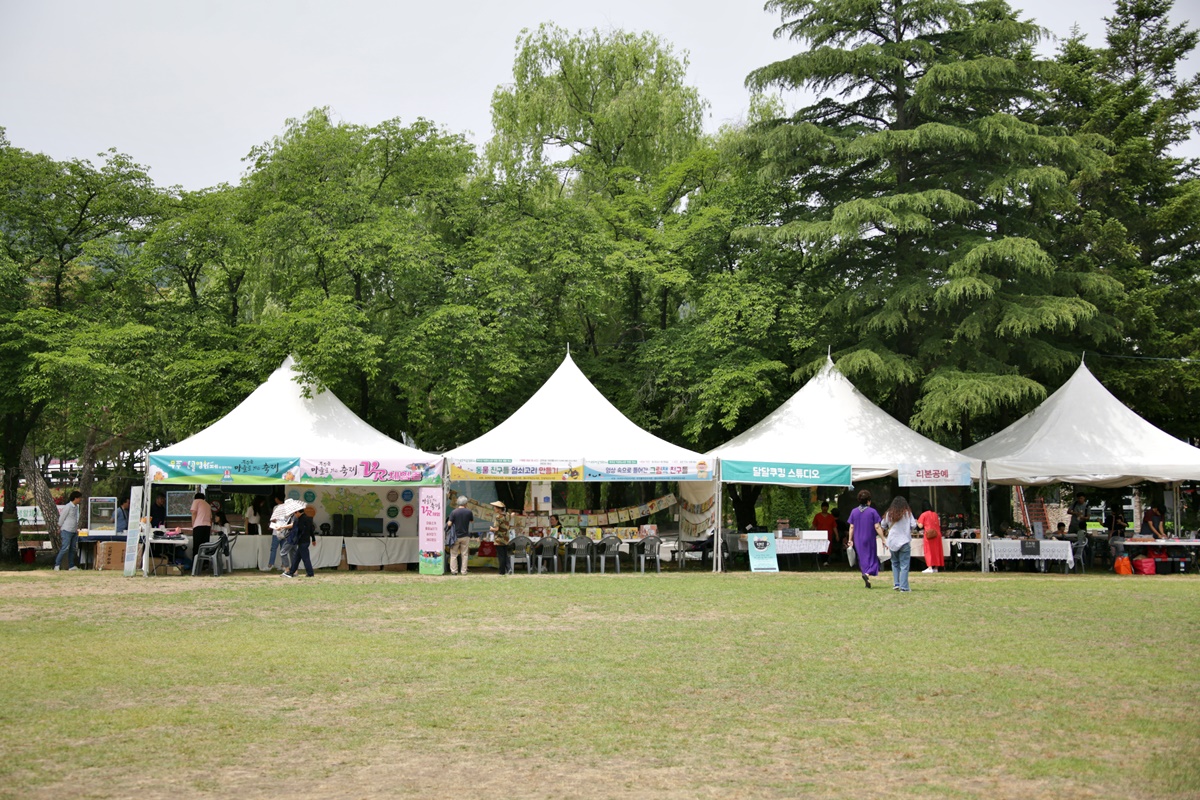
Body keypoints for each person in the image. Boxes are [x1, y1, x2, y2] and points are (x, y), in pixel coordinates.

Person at [847, 490, 882, 589]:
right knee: (872, 558)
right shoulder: (872, 511)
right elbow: (877, 526)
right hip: (869, 538)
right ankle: (867, 574)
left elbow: (851, 527)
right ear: (868, 501)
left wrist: (850, 539)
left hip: (858, 539)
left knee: (862, 559)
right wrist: (883, 538)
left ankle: (866, 576)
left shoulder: (854, 511)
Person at [882, 496, 916, 591]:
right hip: (904, 540)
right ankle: (904, 587)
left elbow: (883, 525)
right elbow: (913, 525)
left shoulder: (889, 514)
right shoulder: (907, 514)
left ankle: (896, 583)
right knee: (904, 565)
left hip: (892, 541)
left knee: (895, 563)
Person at [283, 504, 316, 578]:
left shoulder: (300, 520)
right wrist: (313, 539)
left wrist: (294, 526)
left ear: (298, 512)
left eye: (295, 513)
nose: (295, 514)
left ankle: (310, 573)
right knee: (297, 558)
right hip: (306, 540)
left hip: (302, 541)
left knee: (305, 558)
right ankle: (291, 572)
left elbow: (299, 529)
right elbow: (311, 530)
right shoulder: (309, 518)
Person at [54, 491, 83, 571]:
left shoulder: (76, 507)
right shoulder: (68, 507)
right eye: (79, 498)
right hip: (66, 530)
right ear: (75, 498)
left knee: (73, 549)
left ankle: (71, 565)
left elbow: (76, 518)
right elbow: (62, 517)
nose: (80, 499)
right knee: (65, 548)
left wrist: (77, 528)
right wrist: (59, 527)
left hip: (74, 530)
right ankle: (57, 565)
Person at [445, 496, 474, 575]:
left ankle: (454, 571)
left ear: (458, 503)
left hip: (455, 537)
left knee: (454, 554)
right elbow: (472, 521)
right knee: (464, 554)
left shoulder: (454, 512)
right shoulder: (469, 512)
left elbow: (449, 524)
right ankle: (464, 571)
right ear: (466, 503)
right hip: (465, 536)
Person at [916, 503, 943, 573]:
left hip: (929, 535)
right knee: (936, 551)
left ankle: (930, 567)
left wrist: (916, 522)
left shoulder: (923, 514)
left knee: (928, 551)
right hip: (937, 534)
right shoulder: (935, 514)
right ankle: (936, 568)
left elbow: (920, 526)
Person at [266, 493, 287, 571]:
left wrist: (270, 526)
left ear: (277, 499)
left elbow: (273, 519)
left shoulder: (276, 507)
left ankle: (270, 565)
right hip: (285, 531)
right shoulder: (287, 507)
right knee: (284, 549)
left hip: (276, 531)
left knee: (274, 549)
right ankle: (284, 565)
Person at [490, 500, 511, 575]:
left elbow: (496, 529)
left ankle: (502, 571)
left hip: (499, 539)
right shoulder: (507, 515)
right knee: (506, 554)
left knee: (501, 555)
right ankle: (509, 568)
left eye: (495, 507)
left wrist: (491, 529)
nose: (494, 509)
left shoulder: (498, 517)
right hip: (506, 537)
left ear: (499, 509)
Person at [190, 492, 213, 558]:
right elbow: (210, 518)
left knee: (197, 546)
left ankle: (196, 561)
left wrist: (193, 524)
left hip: (198, 525)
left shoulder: (196, 501)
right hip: (207, 526)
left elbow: (194, 513)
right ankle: (205, 562)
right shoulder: (207, 505)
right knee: (205, 546)